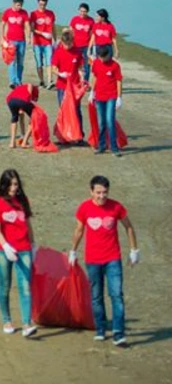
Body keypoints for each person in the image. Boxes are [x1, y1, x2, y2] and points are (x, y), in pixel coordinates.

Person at [70, 175, 140, 346]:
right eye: (98, 192)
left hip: (113, 258)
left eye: (105, 192)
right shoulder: (84, 208)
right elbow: (79, 231)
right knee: (96, 296)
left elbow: (128, 227)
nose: (102, 196)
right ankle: (100, 328)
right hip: (92, 260)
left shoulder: (116, 207)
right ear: (91, 192)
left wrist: (134, 250)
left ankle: (118, 331)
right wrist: (73, 251)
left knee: (116, 294)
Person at [0, 169, 37, 337]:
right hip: (3, 251)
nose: (13, 187)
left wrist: (33, 245)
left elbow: (28, 225)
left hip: (24, 249)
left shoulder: (23, 201)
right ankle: (6, 319)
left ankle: (26, 323)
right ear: (4, 185)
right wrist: (6, 246)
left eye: (16, 184)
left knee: (25, 287)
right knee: (5, 285)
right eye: (10, 184)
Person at [89, 45, 123, 156]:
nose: (102, 60)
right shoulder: (96, 63)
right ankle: (102, 145)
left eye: (104, 57)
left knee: (110, 121)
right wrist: (91, 92)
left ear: (109, 55)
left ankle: (114, 147)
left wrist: (119, 97)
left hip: (111, 96)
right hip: (99, 96)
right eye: (100, 57)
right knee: (101, 122)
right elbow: (95, 77)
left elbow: (118, 81)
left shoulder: (115, 66)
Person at [1, 0, 30, 88]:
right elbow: (3, 25)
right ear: (13, 3)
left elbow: (27, 25)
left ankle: (18, 80)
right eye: (18, 5)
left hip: (21, 40)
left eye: (21, 5)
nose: (20, 7)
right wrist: (2, 38)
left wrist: (29, 36)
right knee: (12, 61)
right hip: (11, 41)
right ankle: (12, 81)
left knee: (20, 62)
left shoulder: (24, 13)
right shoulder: (7, 12)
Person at [30, 0, 56, 88]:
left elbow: (53, 27)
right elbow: (32, 29)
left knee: (49, 62)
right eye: (41, 4)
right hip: (37, 42)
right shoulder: (34, 14)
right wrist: (42, 33)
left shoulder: (51, 13)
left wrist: (55, 40)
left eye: (44, 4)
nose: (42, 6)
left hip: (48, 43)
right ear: (38, 3)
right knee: (39, 63)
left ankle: (50, 81)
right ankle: (41, 81)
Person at [5, 83, 40, 149]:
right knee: (34, 118)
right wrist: (23, 107)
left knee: (14, 118)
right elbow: (30, 96)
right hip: (22, 100)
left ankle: (12, 143)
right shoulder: (31, 85)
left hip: (10, 100)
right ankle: (24, 142)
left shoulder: (20, 87)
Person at [69, 3, 95, 83]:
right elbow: (71, 32)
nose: (83, 13)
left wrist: (91, 46)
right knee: (74, 64)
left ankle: (85, 82)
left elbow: (92, 34)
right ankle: (75, 80)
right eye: (81, 11)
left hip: (86, 46)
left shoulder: (91, 21)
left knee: (87, 65)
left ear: (87, 12)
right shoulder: (74, 19)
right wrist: (70, 43)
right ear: (78, 10)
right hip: (76, 45)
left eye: (85, 11)